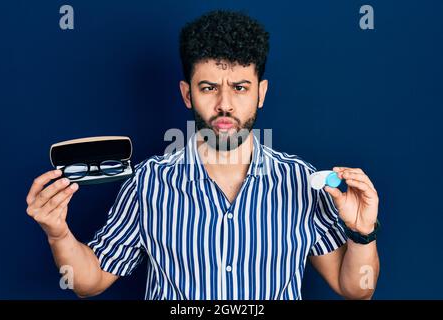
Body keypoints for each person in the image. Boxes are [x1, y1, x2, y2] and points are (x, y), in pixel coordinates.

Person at [25, 10, 379, 300]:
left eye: (240, 88)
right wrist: (58, 235)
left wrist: (362, 233)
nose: (224, 105)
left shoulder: (301, 181)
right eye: (208, 88)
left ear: (261, 93)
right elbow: (90, 282)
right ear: (187, 93)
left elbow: (356, 290)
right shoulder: (149, 182)